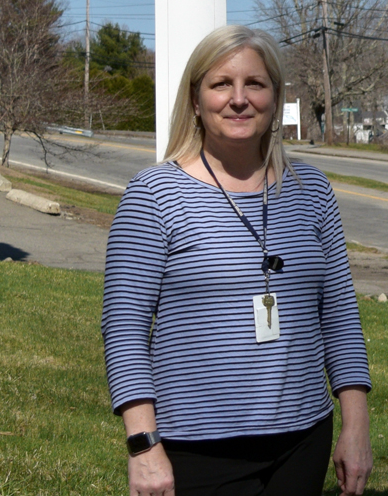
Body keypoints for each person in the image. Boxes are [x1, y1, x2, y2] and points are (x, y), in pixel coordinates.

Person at [102, 25, 372, 496]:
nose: (239, 99)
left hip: (303, 438)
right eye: (221, 83)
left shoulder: (313, 191)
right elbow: (124, 328)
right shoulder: (154, 194)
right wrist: (144, 446)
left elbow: (341, 318)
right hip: (197, 448)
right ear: (195, 99)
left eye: (256, 84)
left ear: (276, 96)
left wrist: (356, 426)